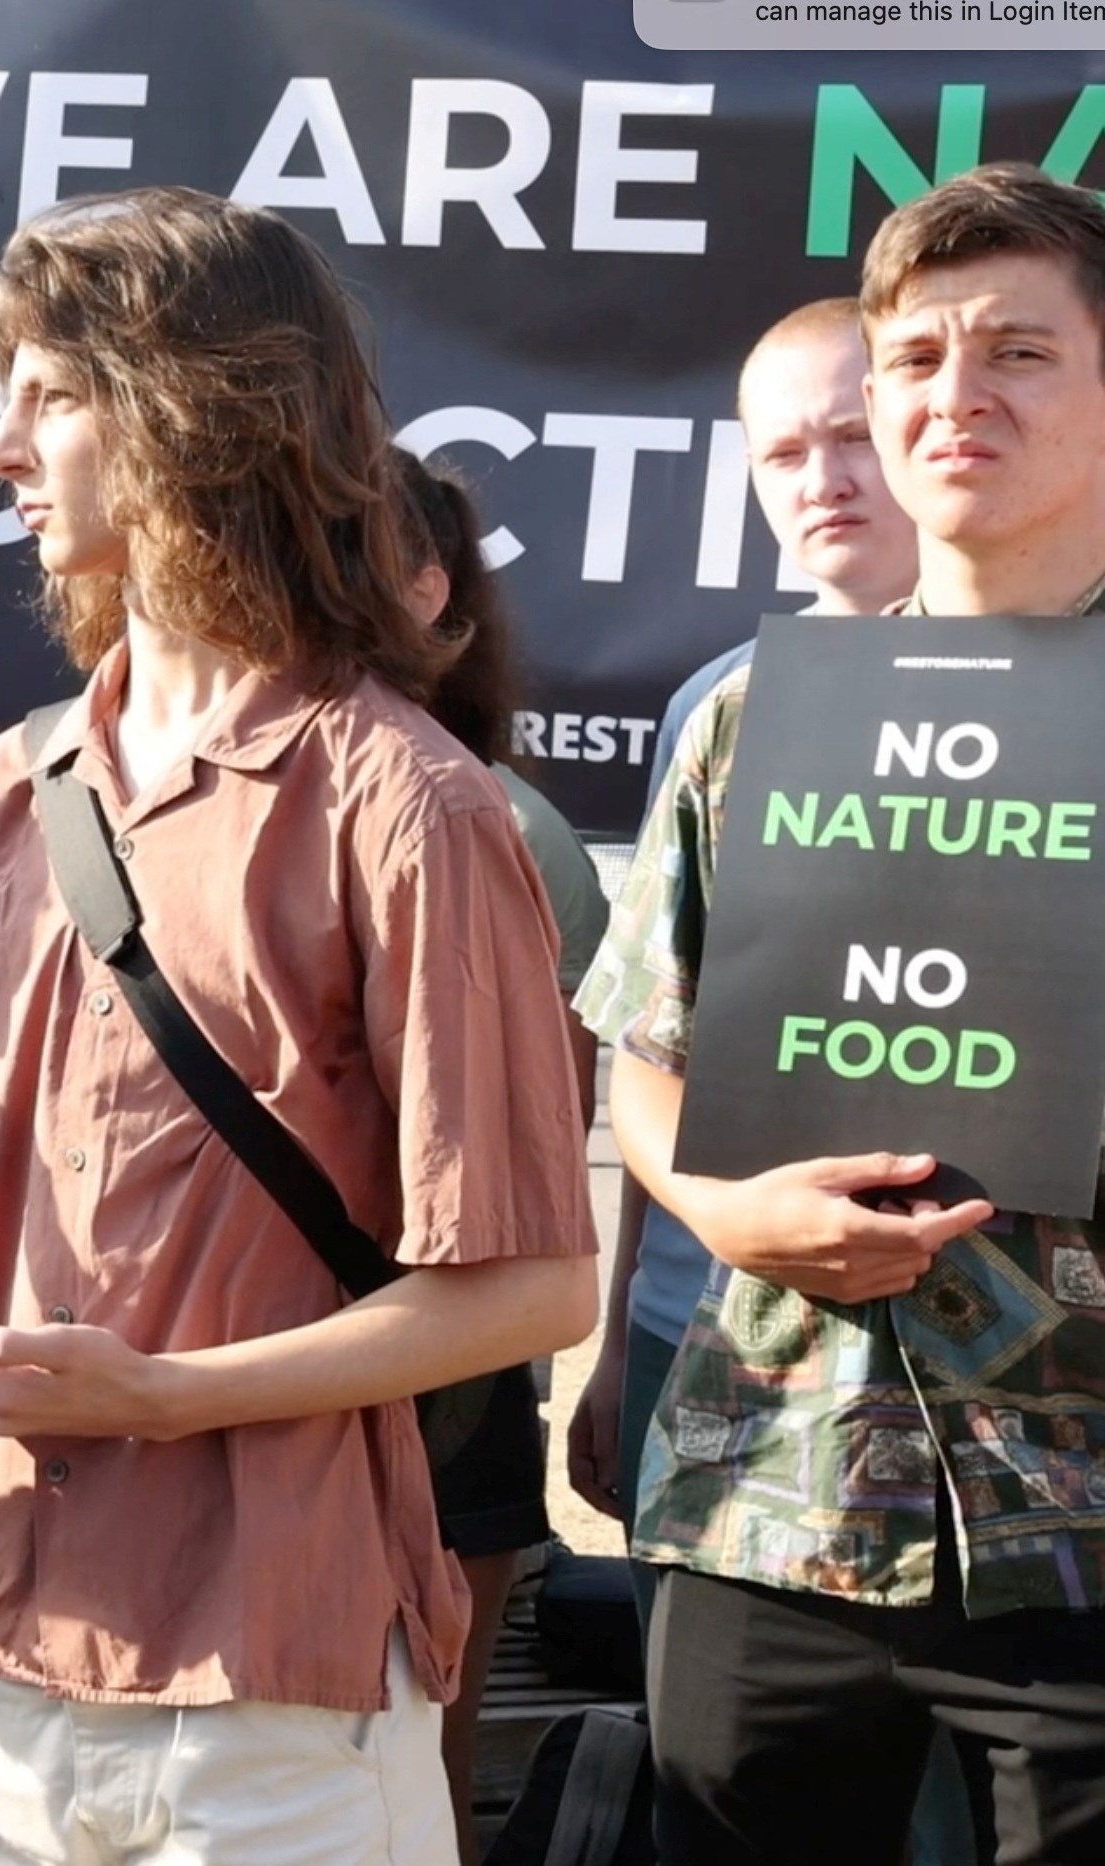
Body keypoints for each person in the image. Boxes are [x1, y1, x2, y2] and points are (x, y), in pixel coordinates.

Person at [0, 188, 596, 1864]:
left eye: (50, 395)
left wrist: (156, 1396)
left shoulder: (411, 803)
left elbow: (527, 1284)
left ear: (197, 409)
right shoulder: (4, 795)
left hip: (270, 1690)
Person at [577, 162, 1105, 1865]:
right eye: (918, 360)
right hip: (774, 1494)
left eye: (1016, 352)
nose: (955, 398)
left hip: (1082, 1520)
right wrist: (719, 1199)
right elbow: (642, 1051)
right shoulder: (757, 718)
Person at [572, 297, 922, 1543]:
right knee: (707, 1741)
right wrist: (621, 1339)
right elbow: (660, 1049)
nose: (822, 481)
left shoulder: (1061, 695)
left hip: (965, 1365)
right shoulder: (714, 709)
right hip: (705, 1328)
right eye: (782, 453)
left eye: (853, 436)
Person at [394, 452, 609, 1863]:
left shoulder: (506, 829)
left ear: (429, 597)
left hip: (438, 1408)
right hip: (222, 1414)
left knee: (419, 1769)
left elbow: (534, 1187)